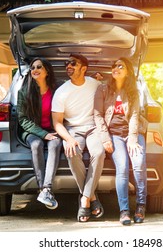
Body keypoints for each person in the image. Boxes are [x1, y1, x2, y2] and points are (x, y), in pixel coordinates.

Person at [52, 53, 106, 222]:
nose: (68, 66)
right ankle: (92, 197)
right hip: (72, 129)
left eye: (73, 64)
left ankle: (84, 198)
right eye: (66, 63)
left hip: (93, 127)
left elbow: (111, 90)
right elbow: (57, 123)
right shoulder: (61, 92)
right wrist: (68, 139)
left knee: (98, 153)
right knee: (72, 151)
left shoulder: (94, 84)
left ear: (83, 69)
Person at [93, 57, 147, 226]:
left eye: (120, 66)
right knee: (122, 168)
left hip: (133, 133)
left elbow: (135, 115)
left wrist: (132, 138)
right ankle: (124, 211)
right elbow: (98, 115)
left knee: (139, 164)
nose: (115, 68)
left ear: (127, 71)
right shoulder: (102, 89)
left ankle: (140, 206)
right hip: (114, 135)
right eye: (114, 65)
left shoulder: (133, 91)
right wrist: (105, 138)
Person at [17, 58, 62, 210]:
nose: (34, 69)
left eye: (39, 67)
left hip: (52, 129)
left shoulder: (57, 90)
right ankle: (43, 189)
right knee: (36, 144)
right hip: (31, 130)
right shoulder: (24, 92)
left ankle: (46, 190)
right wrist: (43, 134)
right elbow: (22, 119)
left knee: (55, 144)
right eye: (32, 67)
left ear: (47, 71)